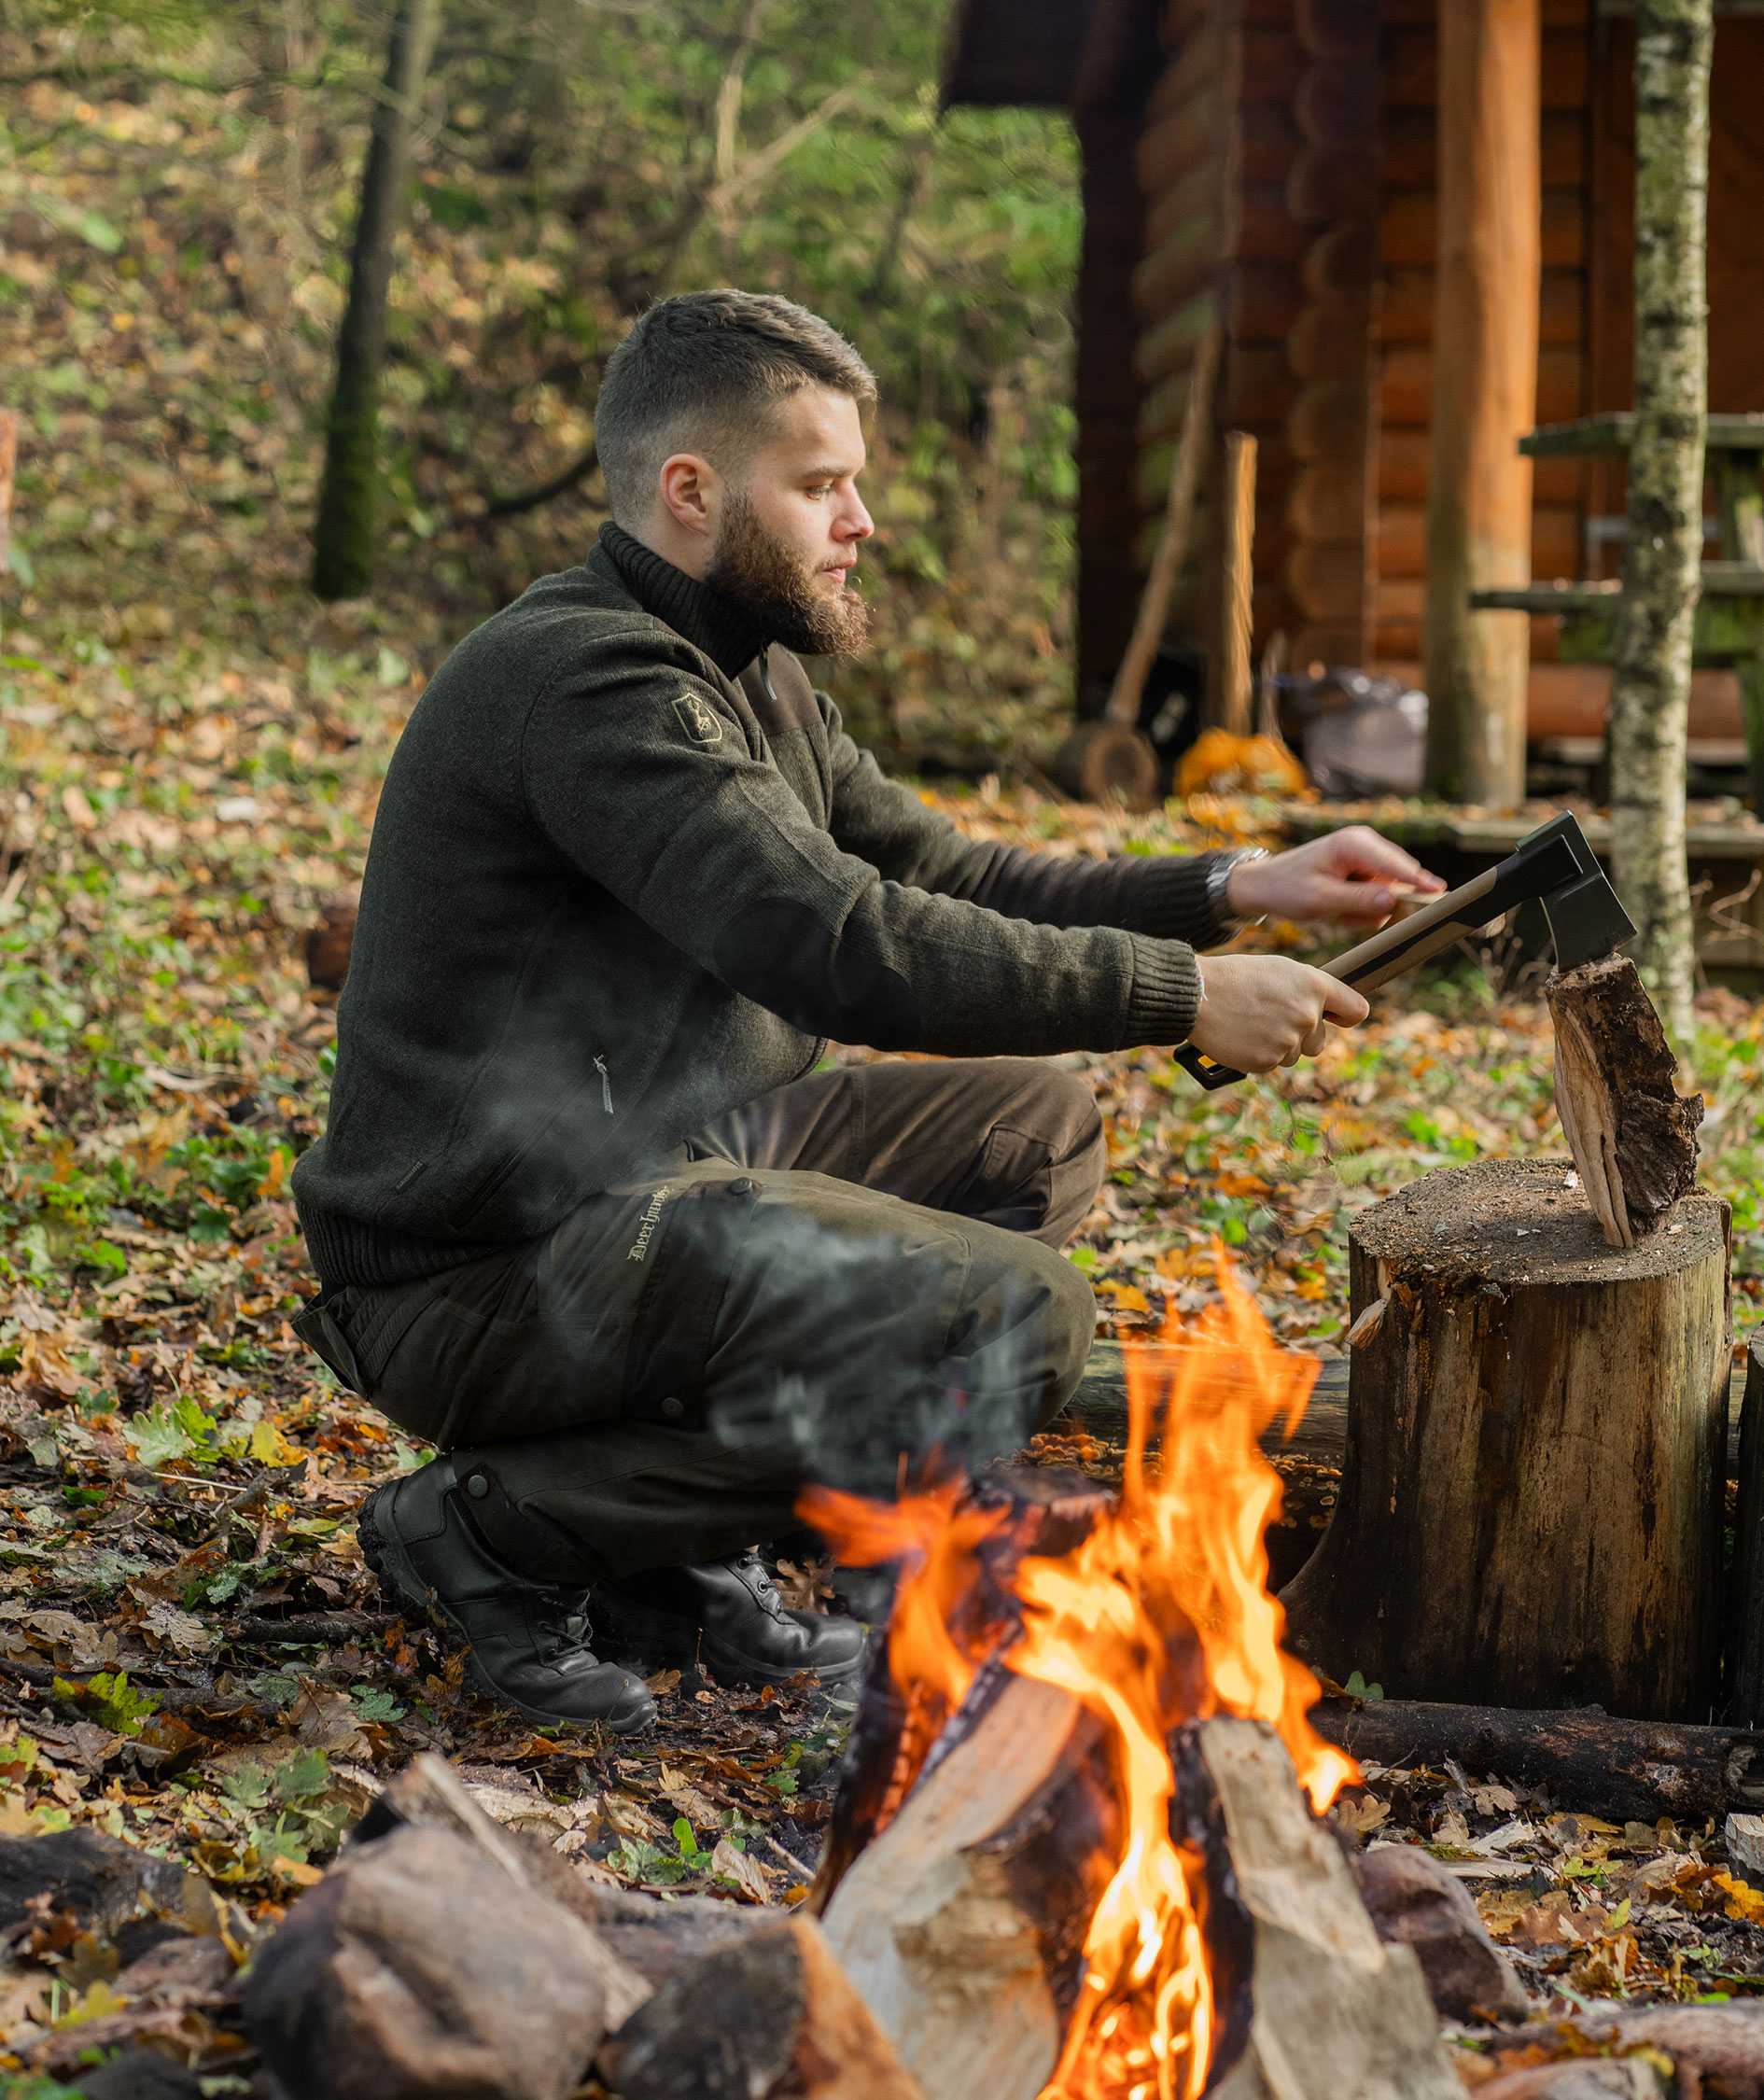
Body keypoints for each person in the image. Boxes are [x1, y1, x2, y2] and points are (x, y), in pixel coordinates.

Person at [289, 289, 1443, 1735]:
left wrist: (1232, 881)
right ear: (691, 491)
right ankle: (497, 1524)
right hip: (480, 1270)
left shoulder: (747, 667)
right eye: (823, 483)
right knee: (1012, 1314)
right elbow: (837, 943)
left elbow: (937, 868)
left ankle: (659, 1540)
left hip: (649, 1179)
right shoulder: (590, 682)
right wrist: (1182, 997)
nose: (861, 520)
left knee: (1034, 1128)